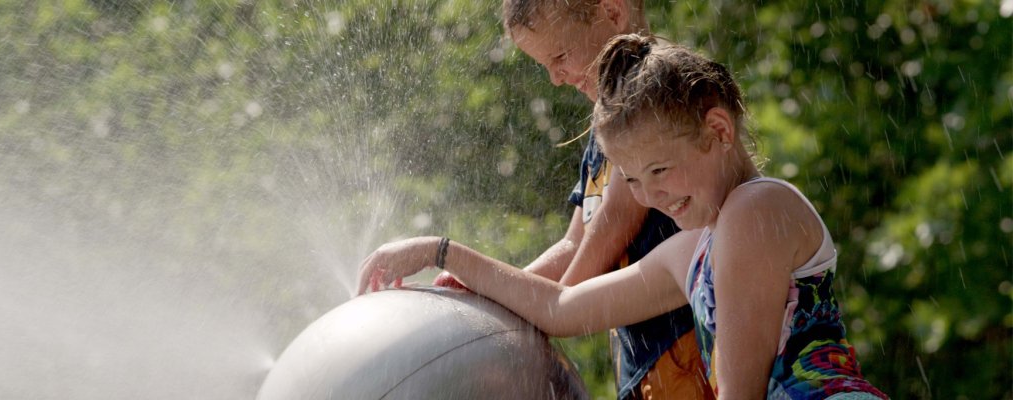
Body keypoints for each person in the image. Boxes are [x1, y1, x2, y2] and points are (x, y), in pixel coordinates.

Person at [358, 34, 887, 399]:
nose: (651, 195)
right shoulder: (692, 250)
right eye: (632, 181)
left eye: (661, 169)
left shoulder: (756, 209)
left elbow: (741, 393)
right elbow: (561, 308)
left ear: (719, 132)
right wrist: (441, 253)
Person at [444, 0, 713, 398]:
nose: (555, 77)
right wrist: (490, 297)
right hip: (648, 365)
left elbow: (614, 226)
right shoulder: (606, 124)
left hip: (689, 355)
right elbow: (575, 243)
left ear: (613, 12)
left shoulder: (651, 108)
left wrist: (547, 308)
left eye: (561, 56)